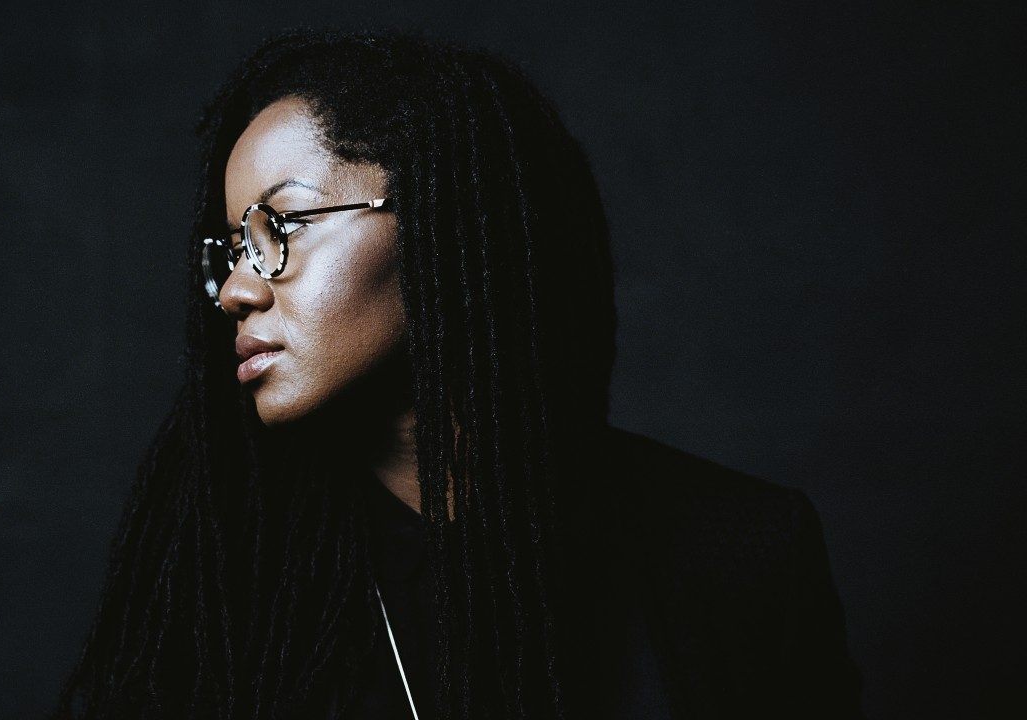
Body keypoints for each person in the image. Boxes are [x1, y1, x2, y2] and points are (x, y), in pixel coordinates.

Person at [51, 27, 863, 720]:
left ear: (442, 223)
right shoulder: (225, 587)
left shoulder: (739, 553)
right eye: (230, 247)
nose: (235, 288)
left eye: (282, 224)